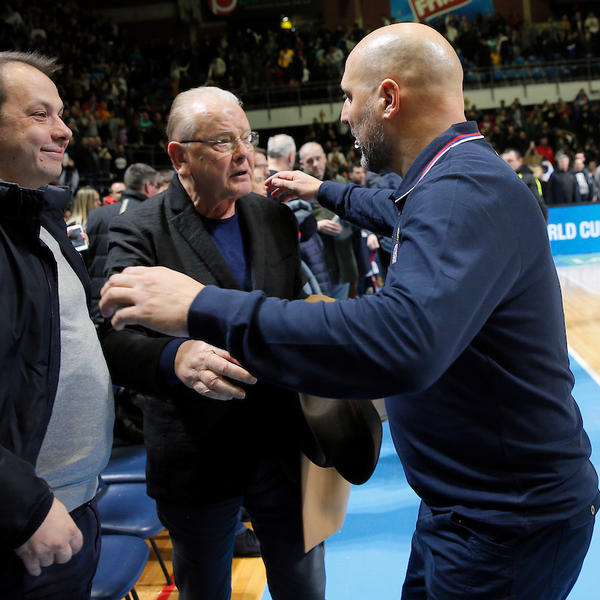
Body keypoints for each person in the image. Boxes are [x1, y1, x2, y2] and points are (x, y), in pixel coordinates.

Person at [100, 24, 599, 600]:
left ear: (387, 98)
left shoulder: (459, 192)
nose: (343, 115)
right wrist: (323, 190)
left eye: (347, 96)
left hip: (502, 520)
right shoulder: (448, 180)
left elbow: (397, 340)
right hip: (463, 507)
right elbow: (392, 208)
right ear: (179, 156)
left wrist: (199, 306)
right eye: (219, 140)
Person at [100, 86, 325, 600]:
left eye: (247, 138)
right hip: (197, 454)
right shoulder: (139, 228)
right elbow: (111, 338)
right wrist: (173, 356)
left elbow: (290, 309)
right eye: (224, 142)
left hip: (282, 443)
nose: (244, 154)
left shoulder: (272, 216)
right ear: (180, 156)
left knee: (304, 586)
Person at [0, 50, 113, 598]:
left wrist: (171, 358)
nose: (65, 131)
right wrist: (22, 505)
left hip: (71, 507)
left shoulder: (40, 222)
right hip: (22, 529)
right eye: (39, 114)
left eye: (62, 114)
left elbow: (78, 339)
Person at [85, 162, 158, 322]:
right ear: (148, 186)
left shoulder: (96, 215)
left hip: (98, 305)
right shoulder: (152, 216)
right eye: (156, 186)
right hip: (134, 307)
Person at [299, 141, 358, 300]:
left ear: (325, 158)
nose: (315, 164)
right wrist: (316, 226)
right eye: (310, 161)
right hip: (318, 264)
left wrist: (350, 218)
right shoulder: (297, 188)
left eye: (318, 159)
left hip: (343, 259)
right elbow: (293, 226)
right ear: (302, 164)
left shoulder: (339, 181)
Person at [501, 147, 548, 221]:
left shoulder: (528, 179)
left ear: (520, 161)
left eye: (510, 161)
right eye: (502, 161)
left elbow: (539, 204)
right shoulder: (501, 179)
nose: (506, 164)